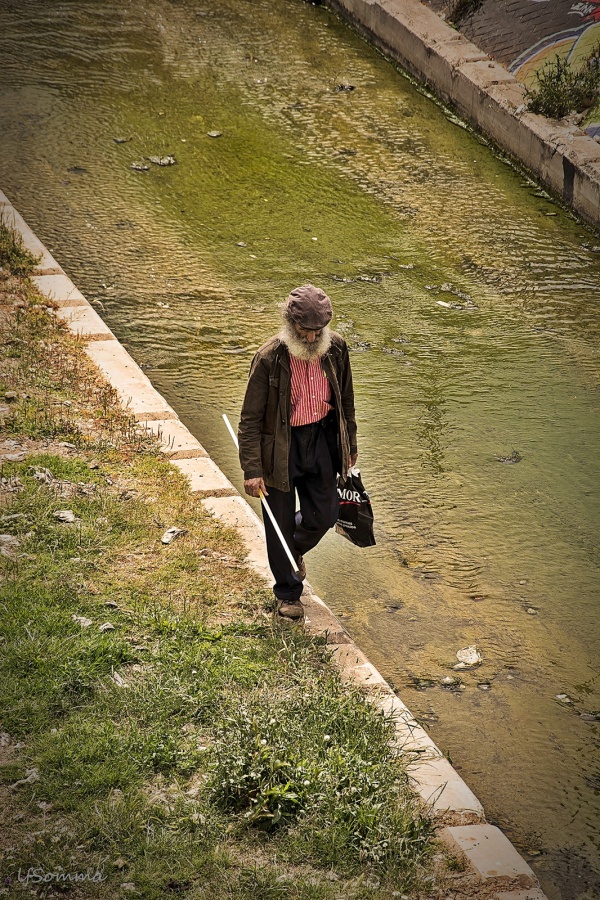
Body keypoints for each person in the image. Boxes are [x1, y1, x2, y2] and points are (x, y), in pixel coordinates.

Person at [238, 284, 358, 619]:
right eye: (304, 332)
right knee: (277, 518)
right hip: (279, 445)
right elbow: (249, 418)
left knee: (326, 513)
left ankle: (290, 547)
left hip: (320, 439)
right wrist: (252, 469)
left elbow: (346, 401)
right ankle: (288, 594)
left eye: (316, 332)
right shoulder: (268, 358)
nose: (310, 339)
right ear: (291, 326)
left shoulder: (336, 349)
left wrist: (350, 443)